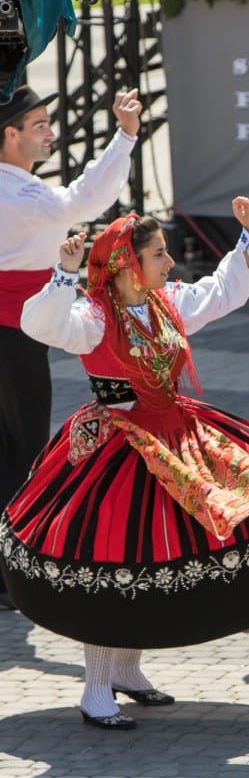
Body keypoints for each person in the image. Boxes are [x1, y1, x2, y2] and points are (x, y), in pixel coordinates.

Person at [0, 200, 249, 729]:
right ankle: (96, 687)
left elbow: (220, 293)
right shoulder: (95, 317)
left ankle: (127, 670)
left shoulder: (166, 302)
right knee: (110, 558)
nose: (170, 262)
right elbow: (40, 325)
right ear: (129, 264)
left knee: (149, 554)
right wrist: (63, 273)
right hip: (118, 446)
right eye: (159, 253)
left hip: (173, 434)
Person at [0, 85, 141, 609]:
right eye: (38, 125)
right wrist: (125, 135)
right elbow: (84, 199)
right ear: (9, 134)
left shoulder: (19, 189)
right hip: (14, 333)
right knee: (22, 446)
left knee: (11, 444)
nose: (50, 133)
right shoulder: (23, 196)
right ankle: (10, 574)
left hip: (18, 329)